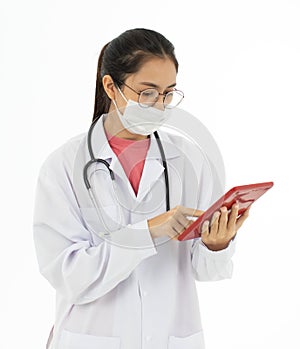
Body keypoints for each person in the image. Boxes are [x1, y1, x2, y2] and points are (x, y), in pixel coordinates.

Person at [33, 28, 250, 349]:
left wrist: (216, 245)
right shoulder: (65, 165)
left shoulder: (190, 160)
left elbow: (206, 271)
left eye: (168, 93)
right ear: (111, 86)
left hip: (170, 337)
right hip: (91, 337)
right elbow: (69, 277)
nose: (159, 105)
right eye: (147, 92)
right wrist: (146, 233)